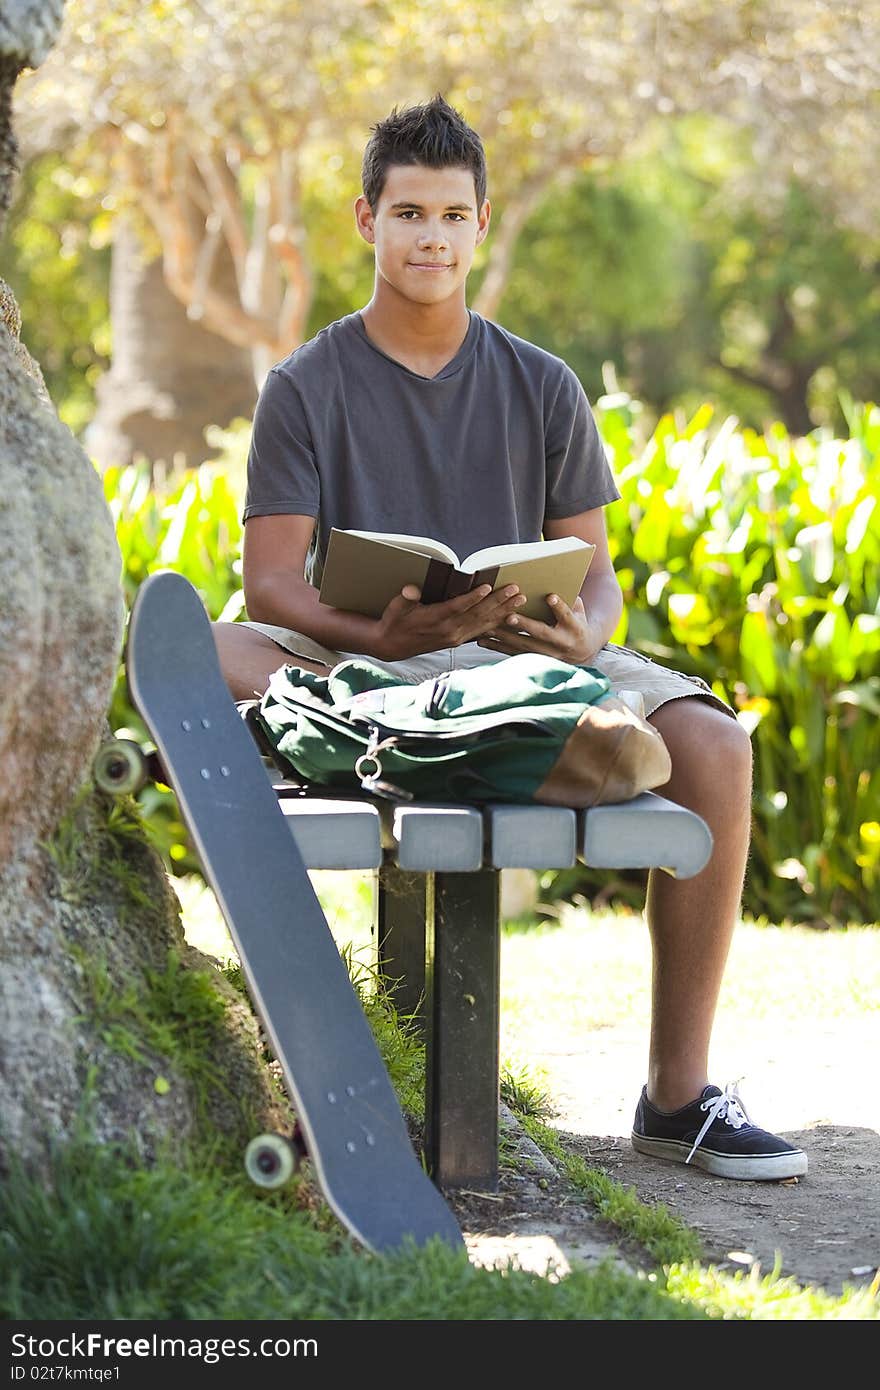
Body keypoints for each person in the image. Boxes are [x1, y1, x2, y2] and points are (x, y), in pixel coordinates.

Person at [214, 95, 806, 1182]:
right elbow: (269, 585)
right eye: (406, 214)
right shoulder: (305, 384)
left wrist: (585, 637)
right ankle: (488, 738)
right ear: (366, 221)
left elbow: (596, 573)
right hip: (370, 658)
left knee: (718, 746)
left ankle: (676, 1095)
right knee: (217, 650)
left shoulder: (543, 383)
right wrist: (388, 628)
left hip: (520, 659)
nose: (429, 237)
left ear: (482, 225)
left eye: (449, 214)